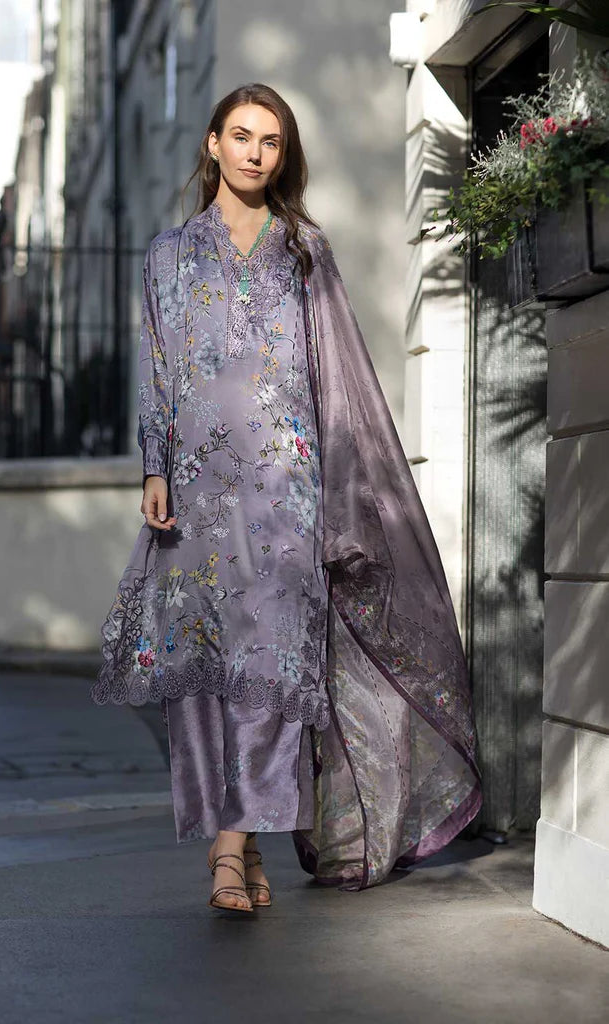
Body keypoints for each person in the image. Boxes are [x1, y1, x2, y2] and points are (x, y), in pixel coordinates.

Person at [91, 83, 483, 914]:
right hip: (196, 497)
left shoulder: (303, 249)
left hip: (283, 492)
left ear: (282, 155)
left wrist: (343, 492)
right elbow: (155, 368)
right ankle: (242, 841)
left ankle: (229, 851)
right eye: (241, 135)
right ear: (212, 144)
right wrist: (154, 466)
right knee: (205, 670)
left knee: (272, 666)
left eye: (270, 141)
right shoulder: (168, 255)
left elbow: (337, 374)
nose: (254, 152)